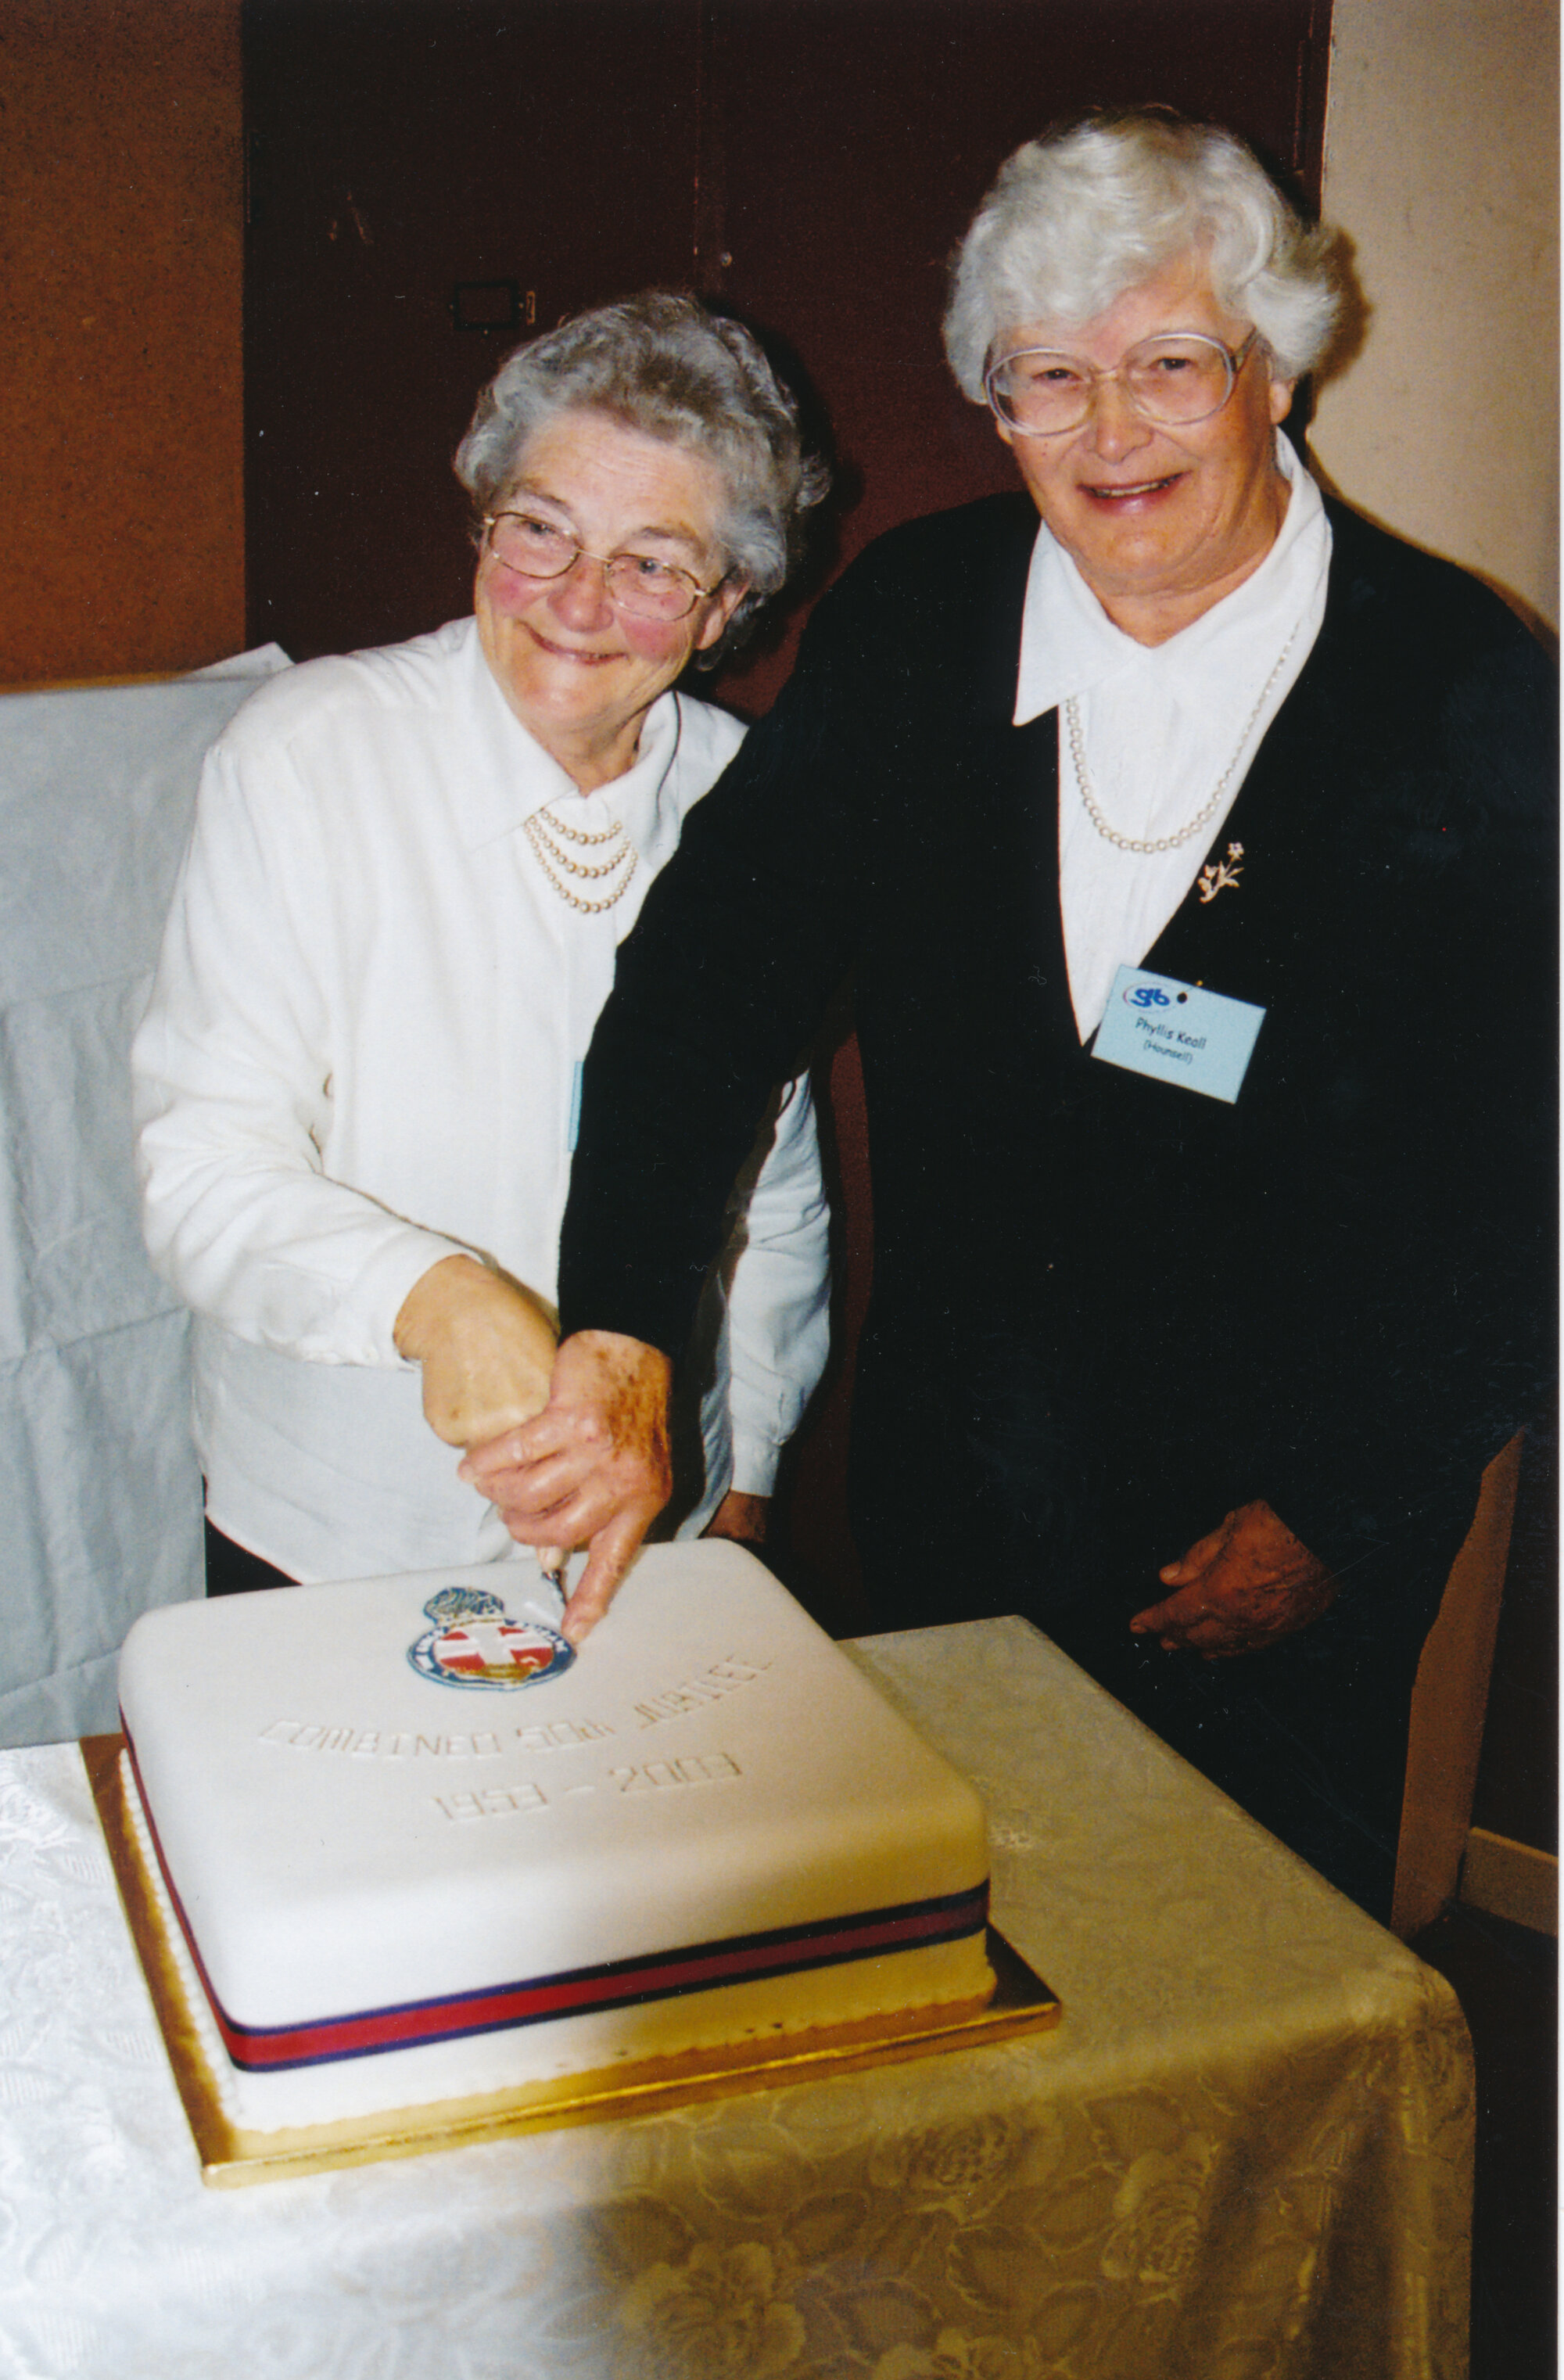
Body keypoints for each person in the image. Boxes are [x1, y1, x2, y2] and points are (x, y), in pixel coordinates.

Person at [463, 115, 1555, 1920]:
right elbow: (698, 995)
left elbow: (1525, 1175)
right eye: (1047, 377)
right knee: (953, 2004)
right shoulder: (920, 622)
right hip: (957, 1518)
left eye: (1166, 367)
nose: (1108, 431)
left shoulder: (1453, 685)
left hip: (1275, 1561)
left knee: (1236, 2029)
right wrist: (627, 1335)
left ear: (1272, 371)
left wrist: (1341, 1510)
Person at [132, 293, 832, 1594]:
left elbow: (773, 1184)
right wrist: (437, 1294)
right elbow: (203, 1165)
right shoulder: (311, 753)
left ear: (725, 602)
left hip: (652, 1517)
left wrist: (750, 1473)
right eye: (543, 531)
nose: (579, 599)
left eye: (652, 562)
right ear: (484, 524)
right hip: (343, 1529)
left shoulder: (757, 800)